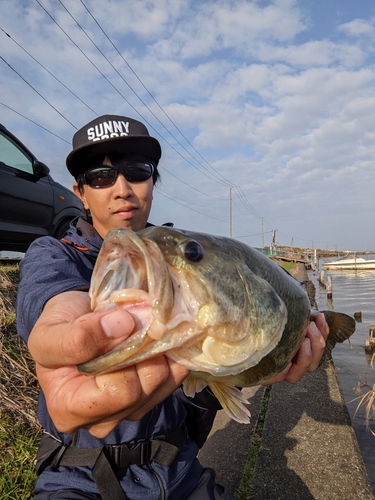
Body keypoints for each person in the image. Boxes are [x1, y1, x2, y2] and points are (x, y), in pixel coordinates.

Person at [17, 114, 329, 500]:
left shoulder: (179, 256)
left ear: (152, 183)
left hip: (181, 473)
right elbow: (49, 300)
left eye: (136, 171)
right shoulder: (53, 255)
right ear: (80, 192)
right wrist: (63, 326)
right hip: (77, 480)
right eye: (100, 176)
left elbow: (194, 390)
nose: (121, 189)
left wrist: (247, 365)